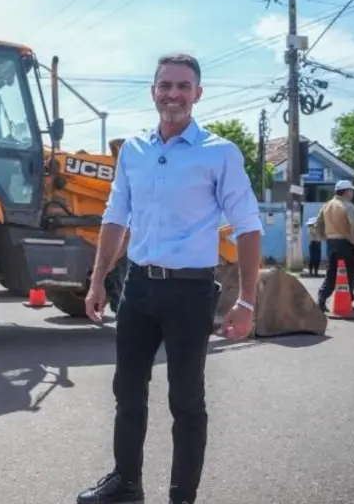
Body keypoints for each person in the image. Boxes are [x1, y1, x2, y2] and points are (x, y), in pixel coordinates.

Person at [76, 53, 263, 504]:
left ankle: (182, 497)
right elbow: (115, 217)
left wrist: (248, 302)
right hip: (137, 286)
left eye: (183, 86)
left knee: (186, 400)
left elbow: (248, 226)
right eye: (165, 85)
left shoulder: (218, 153)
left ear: (197, 94)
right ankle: (127, 483)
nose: (173, 94)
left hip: (190, 291)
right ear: (153, 91)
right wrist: (98, 279)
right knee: (127, 390)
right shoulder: (134, 152)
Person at [314, 180, 354, 315]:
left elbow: (318, 224)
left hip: (331, 243)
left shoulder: (326, 206)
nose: (352, 193)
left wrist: (324, 237)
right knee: (349, 274)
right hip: (346, 243)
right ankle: (348, 303)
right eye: (351, 191)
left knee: (331, 273)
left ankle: (321, 300)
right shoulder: (348, 206)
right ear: (346, 191)